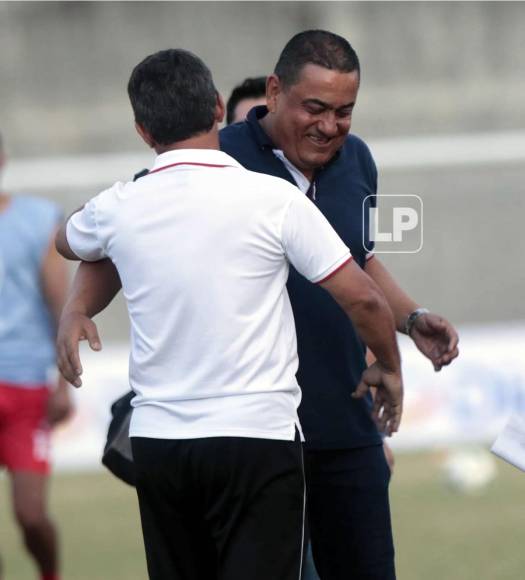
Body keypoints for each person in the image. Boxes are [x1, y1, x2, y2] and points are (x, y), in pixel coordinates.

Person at [56, 31, 458, 579]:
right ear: (273, 91)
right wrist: (77, 306)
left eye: (344, 111)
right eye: (315, 107)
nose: (330, 125)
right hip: (269, 432)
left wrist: (411, 319)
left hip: (346, 420)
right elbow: (115, 239)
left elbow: (362, 260)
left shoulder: (360, 159)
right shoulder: (216, 155)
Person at [0, 133, 72, 580]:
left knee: (31, 516)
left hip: (25, 386)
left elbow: (61, 305)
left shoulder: (38, 220)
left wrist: (65, 383)